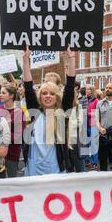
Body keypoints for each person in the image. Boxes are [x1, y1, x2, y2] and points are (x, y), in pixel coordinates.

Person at [22, 45, 76, 176]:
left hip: (55, 170)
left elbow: (69, 87)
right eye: (44, 93)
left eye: (52, 93)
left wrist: (71, 59)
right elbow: (28, 86)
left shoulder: (62, 114)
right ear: (39, 96)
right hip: (33, 169)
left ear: (57, 96)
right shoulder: (35, 112)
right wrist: (25, 59)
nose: (47, 96)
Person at [0, 84, 25, 177]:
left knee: (11, 181)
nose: (0, 95)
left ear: (11, 95)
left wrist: (4, 130)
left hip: (12, 153)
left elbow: (18, 137)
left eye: (3, 93)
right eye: (0, 92)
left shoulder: (19, 112)